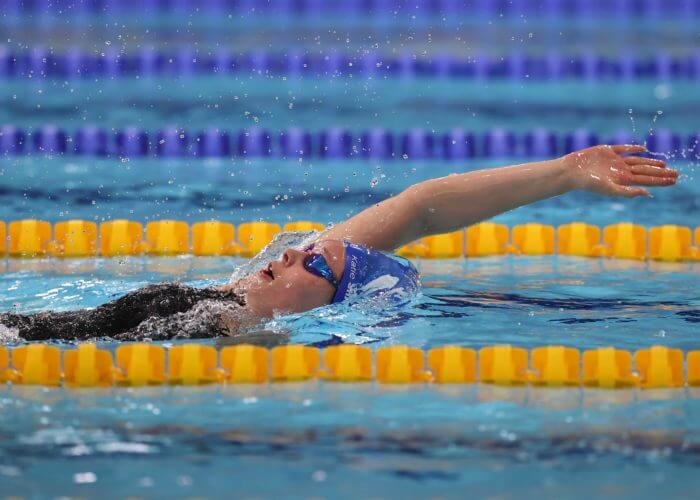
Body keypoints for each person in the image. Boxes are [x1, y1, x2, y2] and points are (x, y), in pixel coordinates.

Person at [0, 145, 677, 342]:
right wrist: (563, 173)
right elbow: (419, 207)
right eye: (303, 249)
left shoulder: (256, 344)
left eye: (313, 260)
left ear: (336, 306)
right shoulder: (231, 297)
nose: (290, 252)